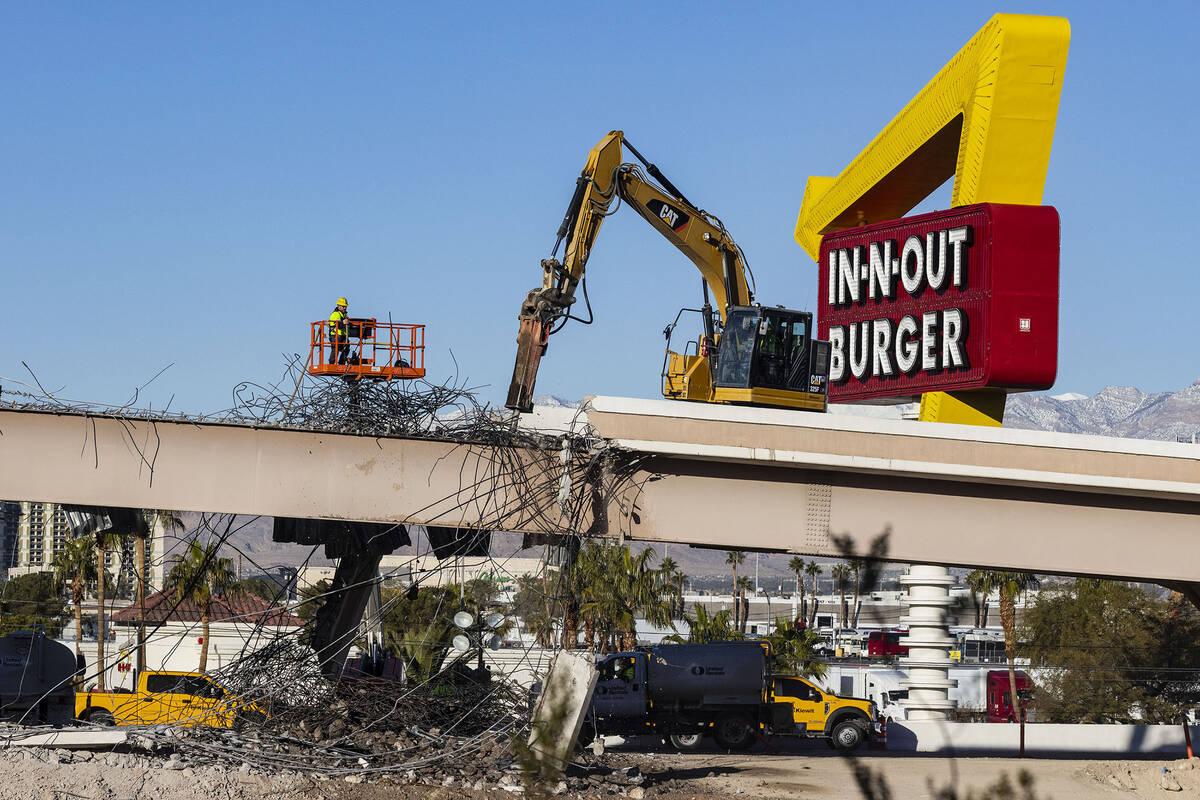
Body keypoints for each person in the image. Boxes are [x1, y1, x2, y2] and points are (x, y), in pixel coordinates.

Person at [329, 297, 349, 365]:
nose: (345, 308)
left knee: (346, 347)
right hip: (335, 335)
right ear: (339, 306)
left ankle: (341, 363)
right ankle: (332, 363)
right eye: (343, 306)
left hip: (342, 335)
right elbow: (338, 325)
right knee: (335, 349)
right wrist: (343, 322)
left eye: (345, 306)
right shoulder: (335, 314)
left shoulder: (344, 314)